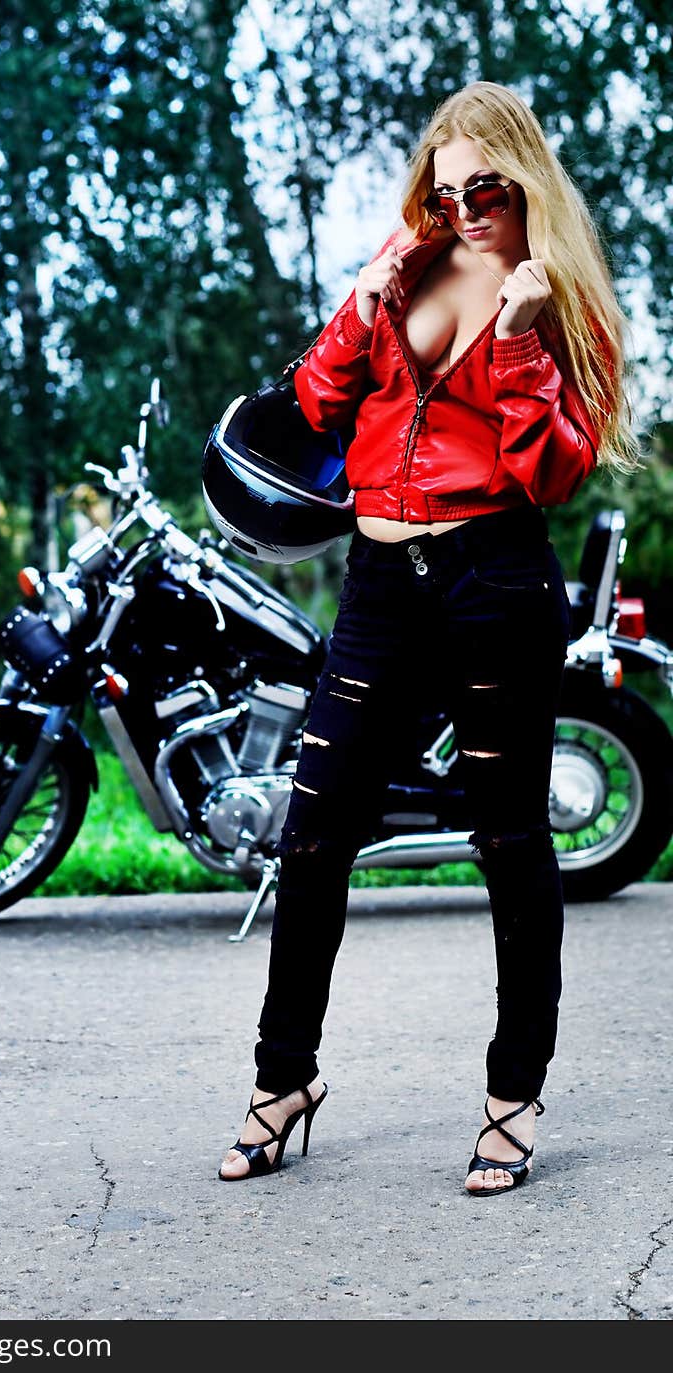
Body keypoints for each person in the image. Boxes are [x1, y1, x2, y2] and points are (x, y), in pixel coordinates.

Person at [218, 81, 635, 1194]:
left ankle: (511, 1096)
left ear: (523, 183)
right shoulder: (406, 269)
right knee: (310, 836)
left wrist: (514, 344)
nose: (461, 209)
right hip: (379, 579)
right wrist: (361, 300)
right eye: (441, 190)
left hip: (491, 576)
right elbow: (315, 404)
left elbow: (552, 470)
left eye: (483, 188)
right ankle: (282, 1078)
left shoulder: (564, 304)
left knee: (507, 843)